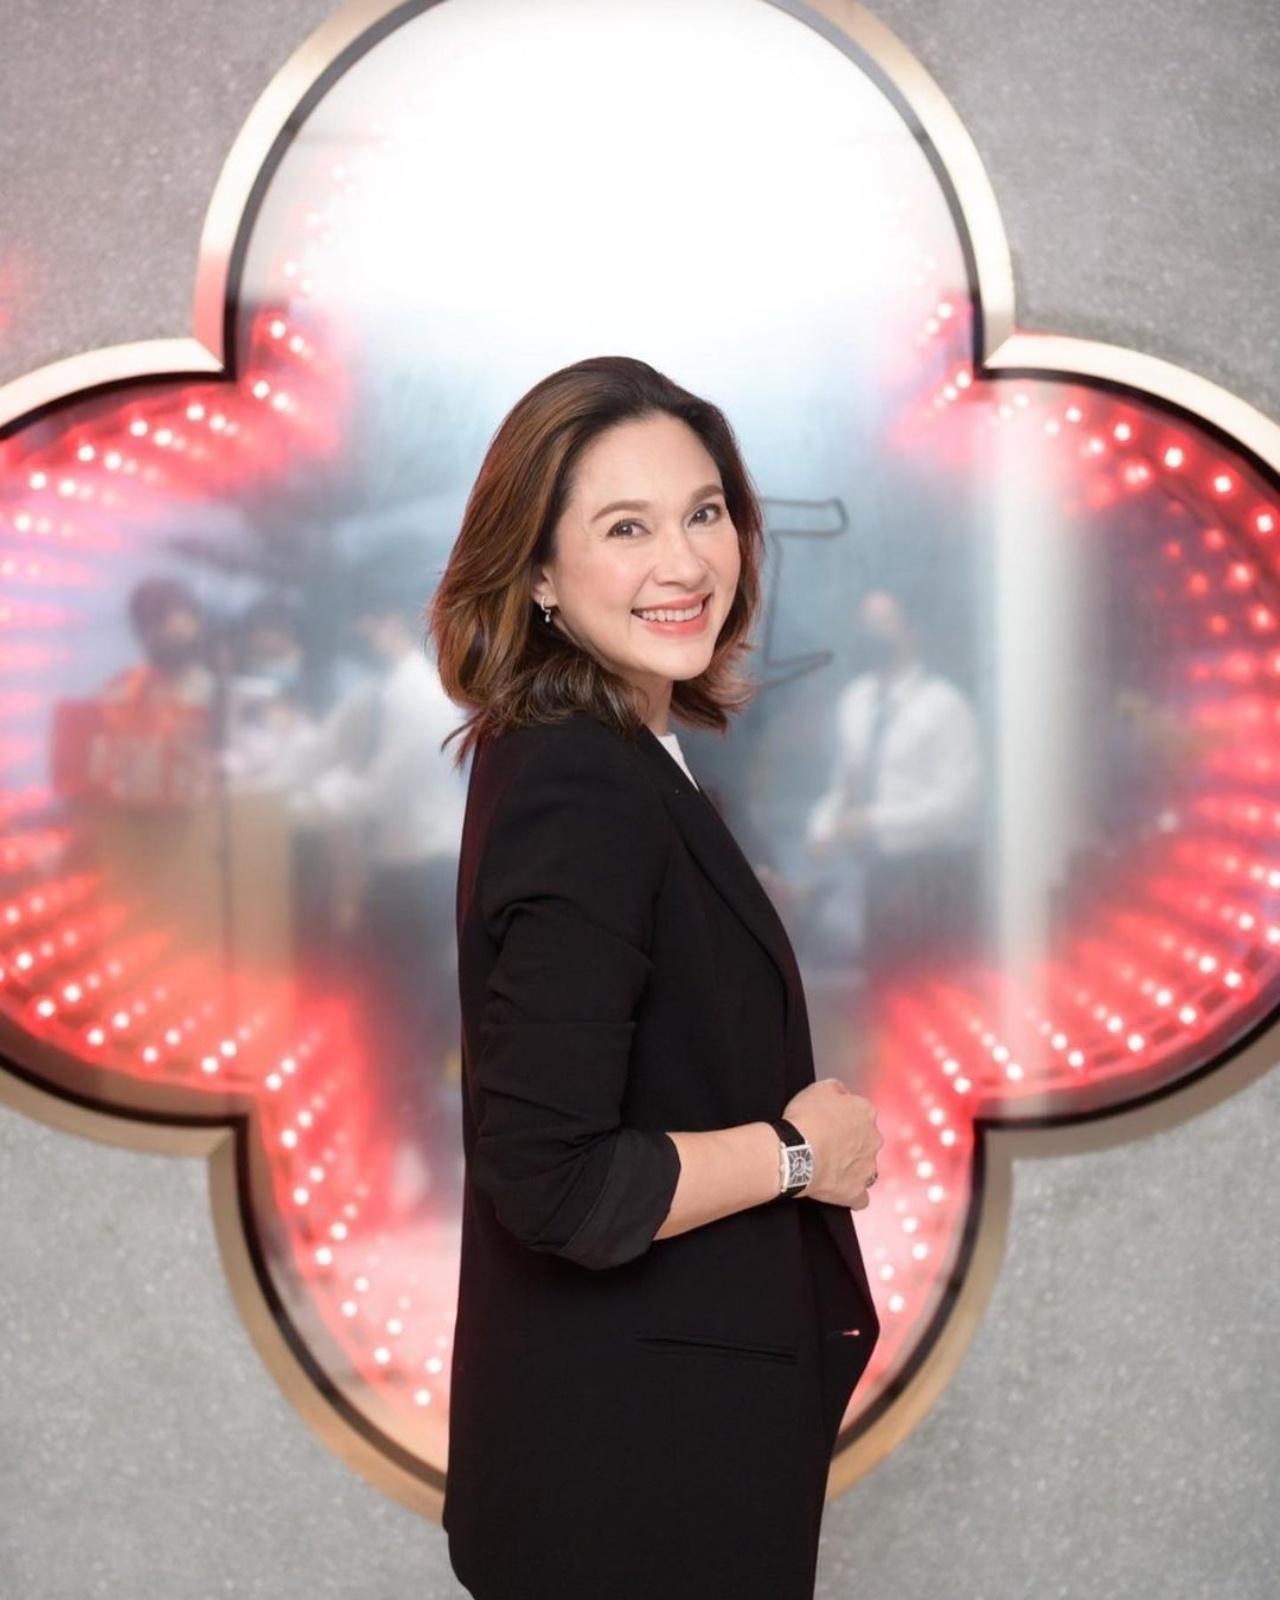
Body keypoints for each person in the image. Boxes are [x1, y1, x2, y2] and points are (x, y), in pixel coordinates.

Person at [428, 355, 883, 1599]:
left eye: (702, 512)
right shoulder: (582, 783)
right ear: (537, 573)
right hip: (633, 1482)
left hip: (634, 1452)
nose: (683, 563)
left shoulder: (599, 752)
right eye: (624, 528)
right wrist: (798, 1155)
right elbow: (553, 1177)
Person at [805, 584, 983, 981]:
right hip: (874, 877)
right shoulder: (856, 699)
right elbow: (845, 781)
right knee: (879, 987)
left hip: (932, 878)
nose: (871, 633)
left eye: (883, 622)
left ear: (911, 630)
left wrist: (872, 820)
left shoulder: (945, 705)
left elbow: (960, 803)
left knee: (928, 989)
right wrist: (823, 826)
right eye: (866, 623)